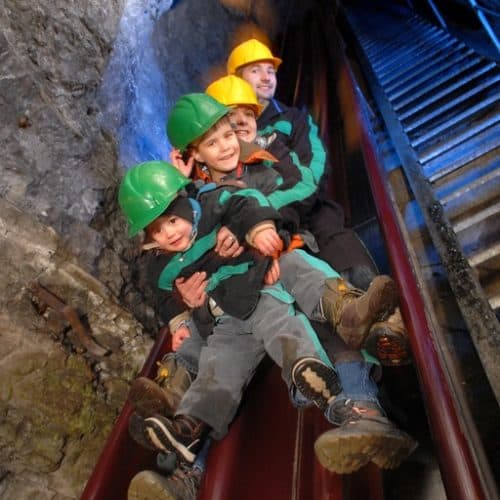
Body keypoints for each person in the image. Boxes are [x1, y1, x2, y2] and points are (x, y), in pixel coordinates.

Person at [123, 95, 416, 498]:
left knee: (307, 307)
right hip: (228, 307)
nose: (230, 141)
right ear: (192, 155)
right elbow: (173, 274)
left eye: (234, 130)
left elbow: (273, 203)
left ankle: (359, 402)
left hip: (276, 272)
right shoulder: (186, 207)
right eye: (213, 141)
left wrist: (261, 238)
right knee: (211, 354)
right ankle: (182, 449)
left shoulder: (262, 163)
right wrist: (182, 309)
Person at [227, 39, 410, 366]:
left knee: (335, 237)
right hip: (262, 228)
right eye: (255, 70)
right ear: (235, 78)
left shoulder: (293, 119)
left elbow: (314, 172)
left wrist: (270, 213)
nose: (267, 77)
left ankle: (387, 323)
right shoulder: (224, 138)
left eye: (270, 70)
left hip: (304, 208)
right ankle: (350, 359)